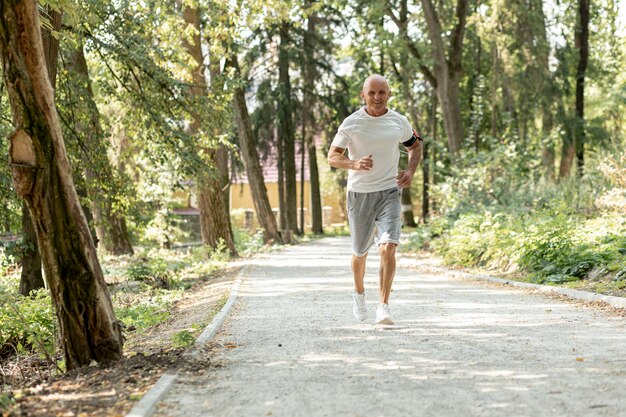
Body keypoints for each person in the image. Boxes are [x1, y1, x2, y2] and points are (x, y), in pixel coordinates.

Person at [327, 74, 422, 325]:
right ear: (363, 95)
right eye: (372, 93)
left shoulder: (399, 121)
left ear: (389, 94)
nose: (377, 98)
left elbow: (415, 146)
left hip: (390, 191)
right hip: (359, 194)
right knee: (360, 252)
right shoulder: (352, 123)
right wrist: (353, 163)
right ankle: (359, 293)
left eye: (382, 92)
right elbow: (332, 157)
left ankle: (384, 306)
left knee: (388, 245)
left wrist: (410, 171)